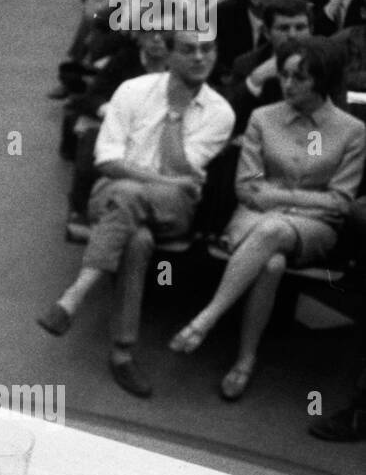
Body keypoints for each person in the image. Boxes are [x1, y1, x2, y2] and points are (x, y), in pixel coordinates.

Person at [38, 30, 235, 398]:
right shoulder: (132, 91)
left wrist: (175, 116)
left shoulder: (220, 112)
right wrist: (165, 181)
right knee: (137, 236)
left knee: (130, 198)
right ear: (171, 55)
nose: (199, 58)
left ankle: (75, 296)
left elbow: (182, 168)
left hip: (174, 210)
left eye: (208, 49)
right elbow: (108, 162)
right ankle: (122, 352)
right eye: (189, 50)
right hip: (113, 193)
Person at [169, 38, 365, 400]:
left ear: (321, 81)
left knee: (274, 229)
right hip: (253, 216)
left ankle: (206, 318)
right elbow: (247, 187)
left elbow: (340, 202)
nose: (287, 84)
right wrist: (300, 199)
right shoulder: (263, 118)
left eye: (299, 77)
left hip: (313, 231)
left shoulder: (352, 131)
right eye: (285, 75)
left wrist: (279, 197)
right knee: (271, 264)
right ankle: (245, 360)